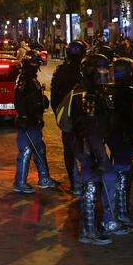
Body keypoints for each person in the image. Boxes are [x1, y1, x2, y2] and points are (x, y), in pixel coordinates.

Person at [67, 54, 123, 243]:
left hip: (92, 146)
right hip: (89, 148)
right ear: (91, 71)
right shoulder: (87, 95)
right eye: (102, 68)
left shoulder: (93, 91)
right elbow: (91, 130)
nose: (106, 72)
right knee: (92, 185)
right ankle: (89, 231)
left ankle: (107, 222)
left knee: (109, 178)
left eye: (107, 68)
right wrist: (100, 158)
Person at [12, 50, 56, 193]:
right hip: (27, 122)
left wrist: (41, 102)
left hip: (35, 121)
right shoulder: (24, 80)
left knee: (39, 150)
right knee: (25, 151)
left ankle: (44, 178)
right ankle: (20, 182)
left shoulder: (31, 79)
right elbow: (19, 101)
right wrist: (24, 117)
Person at [106, 56, 133, 228]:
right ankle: (120, 214)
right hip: (123, 137)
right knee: (124, 176)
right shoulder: (128, 91)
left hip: (112, 136)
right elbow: (132, 116)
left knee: (120, 174)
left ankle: (118, 213)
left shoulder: (107, 90)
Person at [50, 40, 86, 194]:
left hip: (68, 118)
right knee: (88, 149)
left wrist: (61, 114)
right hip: (86, 118)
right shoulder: (87, 70)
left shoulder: (60, 71)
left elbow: (54, 98)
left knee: (70, 151)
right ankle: (88, 181)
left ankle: (75, 183)